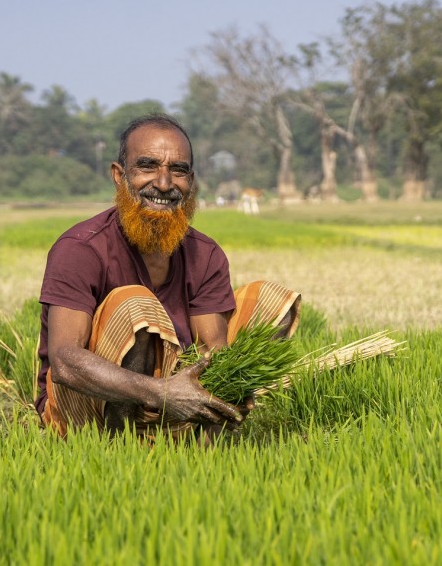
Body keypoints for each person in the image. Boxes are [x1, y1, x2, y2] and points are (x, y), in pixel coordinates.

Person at [36, 114, 300, 440]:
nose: (163, 184)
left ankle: (207, 445)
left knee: (270, 299)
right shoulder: (80, 248)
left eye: (178, 171)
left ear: (192, 182)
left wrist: (231, 382)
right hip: (86, 412)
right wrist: (160, 392)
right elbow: (64, 361)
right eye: (147, 167)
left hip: (173, 398)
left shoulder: (205, 253)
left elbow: (212, 350)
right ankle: (122, 447)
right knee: (134, 303)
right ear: (119, 176)